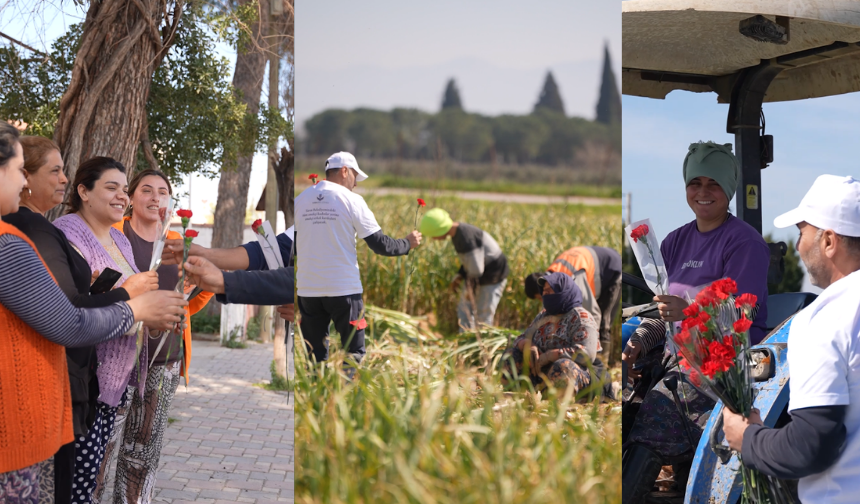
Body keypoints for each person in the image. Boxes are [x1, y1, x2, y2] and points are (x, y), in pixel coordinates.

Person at [0, 123, 186, 503]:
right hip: (56, 394)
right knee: (80, 483)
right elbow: (68, 319)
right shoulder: (22, 236)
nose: (21, 183)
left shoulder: (36, 231)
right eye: (21, 170)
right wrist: (132, 304)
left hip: (101, 382)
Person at [622, 142, 770, 493]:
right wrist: (640, 341)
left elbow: (742, 313)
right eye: (695, 183)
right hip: (679, 358)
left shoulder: (745, 243)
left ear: (729, 189)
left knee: (659, 409)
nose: (703, 192)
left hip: (725, 362)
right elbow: (665, 313)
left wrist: (689, 310)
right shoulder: (674, 241)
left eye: (713, 184)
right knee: (622, 389)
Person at [722, 175, 860, 504]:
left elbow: (809, 447)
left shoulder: (825, 319)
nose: (797, 246)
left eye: (802, 233)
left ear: (828, 240)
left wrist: (747, 439)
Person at [51, 157, 167, 504]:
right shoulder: (67, 233)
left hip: (115, 380)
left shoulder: (121, 238)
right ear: (83, 191)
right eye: (111, 187)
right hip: (82, 379)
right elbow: (74, 302)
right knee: (76, 483)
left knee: (90, 479)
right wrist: (132, 291)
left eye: (123, 188)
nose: (122, 196)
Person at [98, 168, 214, 504]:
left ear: (170, 201)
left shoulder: (180, 245)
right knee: (101, 450)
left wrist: (178, 312)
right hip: (114, 361)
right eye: (146, 190)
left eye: (162, 192)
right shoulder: (112, 236)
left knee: (143, 456)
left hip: (164, 363)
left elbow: (201, 291)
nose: (155, 198)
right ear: (131, 197)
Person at [294, 151, 420, 368]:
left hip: (308, 291)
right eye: (354, 177)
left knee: (314, 357)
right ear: (344, 171)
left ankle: (317, 398)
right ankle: (344, 397)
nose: (355, 184)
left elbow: (293, 245)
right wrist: (408, 243)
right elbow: (380, 245)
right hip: (343, 291)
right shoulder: (352, 200)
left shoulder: (300, 199)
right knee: (354, 354)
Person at [500, 272, 614, 399]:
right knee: (510, 356)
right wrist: (528, 345)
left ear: (564, 291)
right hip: (540, 373)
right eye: (544, 291)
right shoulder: (543, 316)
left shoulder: (581, 317)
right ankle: (517, 395)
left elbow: (587, 354)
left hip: (577, 375)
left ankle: (560, 401)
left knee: (563, 366)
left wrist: (551, 355)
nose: (545, 295)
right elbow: (520, 338)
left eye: (550, 291)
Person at [419, 208, 509, 332]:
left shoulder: (466, 238)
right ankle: (465, 341)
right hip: (477, 275)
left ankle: (482, 346)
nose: (434, 239)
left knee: (483, 315)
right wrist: (459, 275)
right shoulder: (458, 234)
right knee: (464, 310)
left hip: (492, 276)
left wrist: (469, 290)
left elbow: (476, 269)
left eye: (433, 235)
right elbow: (470, 261)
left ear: (439, 230)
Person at [524, 246, 622, 356]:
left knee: (604, 321)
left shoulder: (571, 280)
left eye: (540, 297)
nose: (544, 300)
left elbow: (594, 313)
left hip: (612, 268)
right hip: (589, 262)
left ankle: (602, 362)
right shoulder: (551, 279)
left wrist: (588, 345)